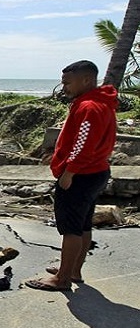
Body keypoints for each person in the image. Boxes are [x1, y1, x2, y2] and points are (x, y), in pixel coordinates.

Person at [25, 60, 117, 291]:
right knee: (83, 224)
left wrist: (69, 172)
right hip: (96, 171)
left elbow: (83, 145)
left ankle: (62, 279)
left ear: (86, 80)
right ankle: (73, 270)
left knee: (71, 228)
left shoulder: (89, 107)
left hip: (82, 175)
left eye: (67, 82)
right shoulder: (99, 103)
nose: (64, 86)